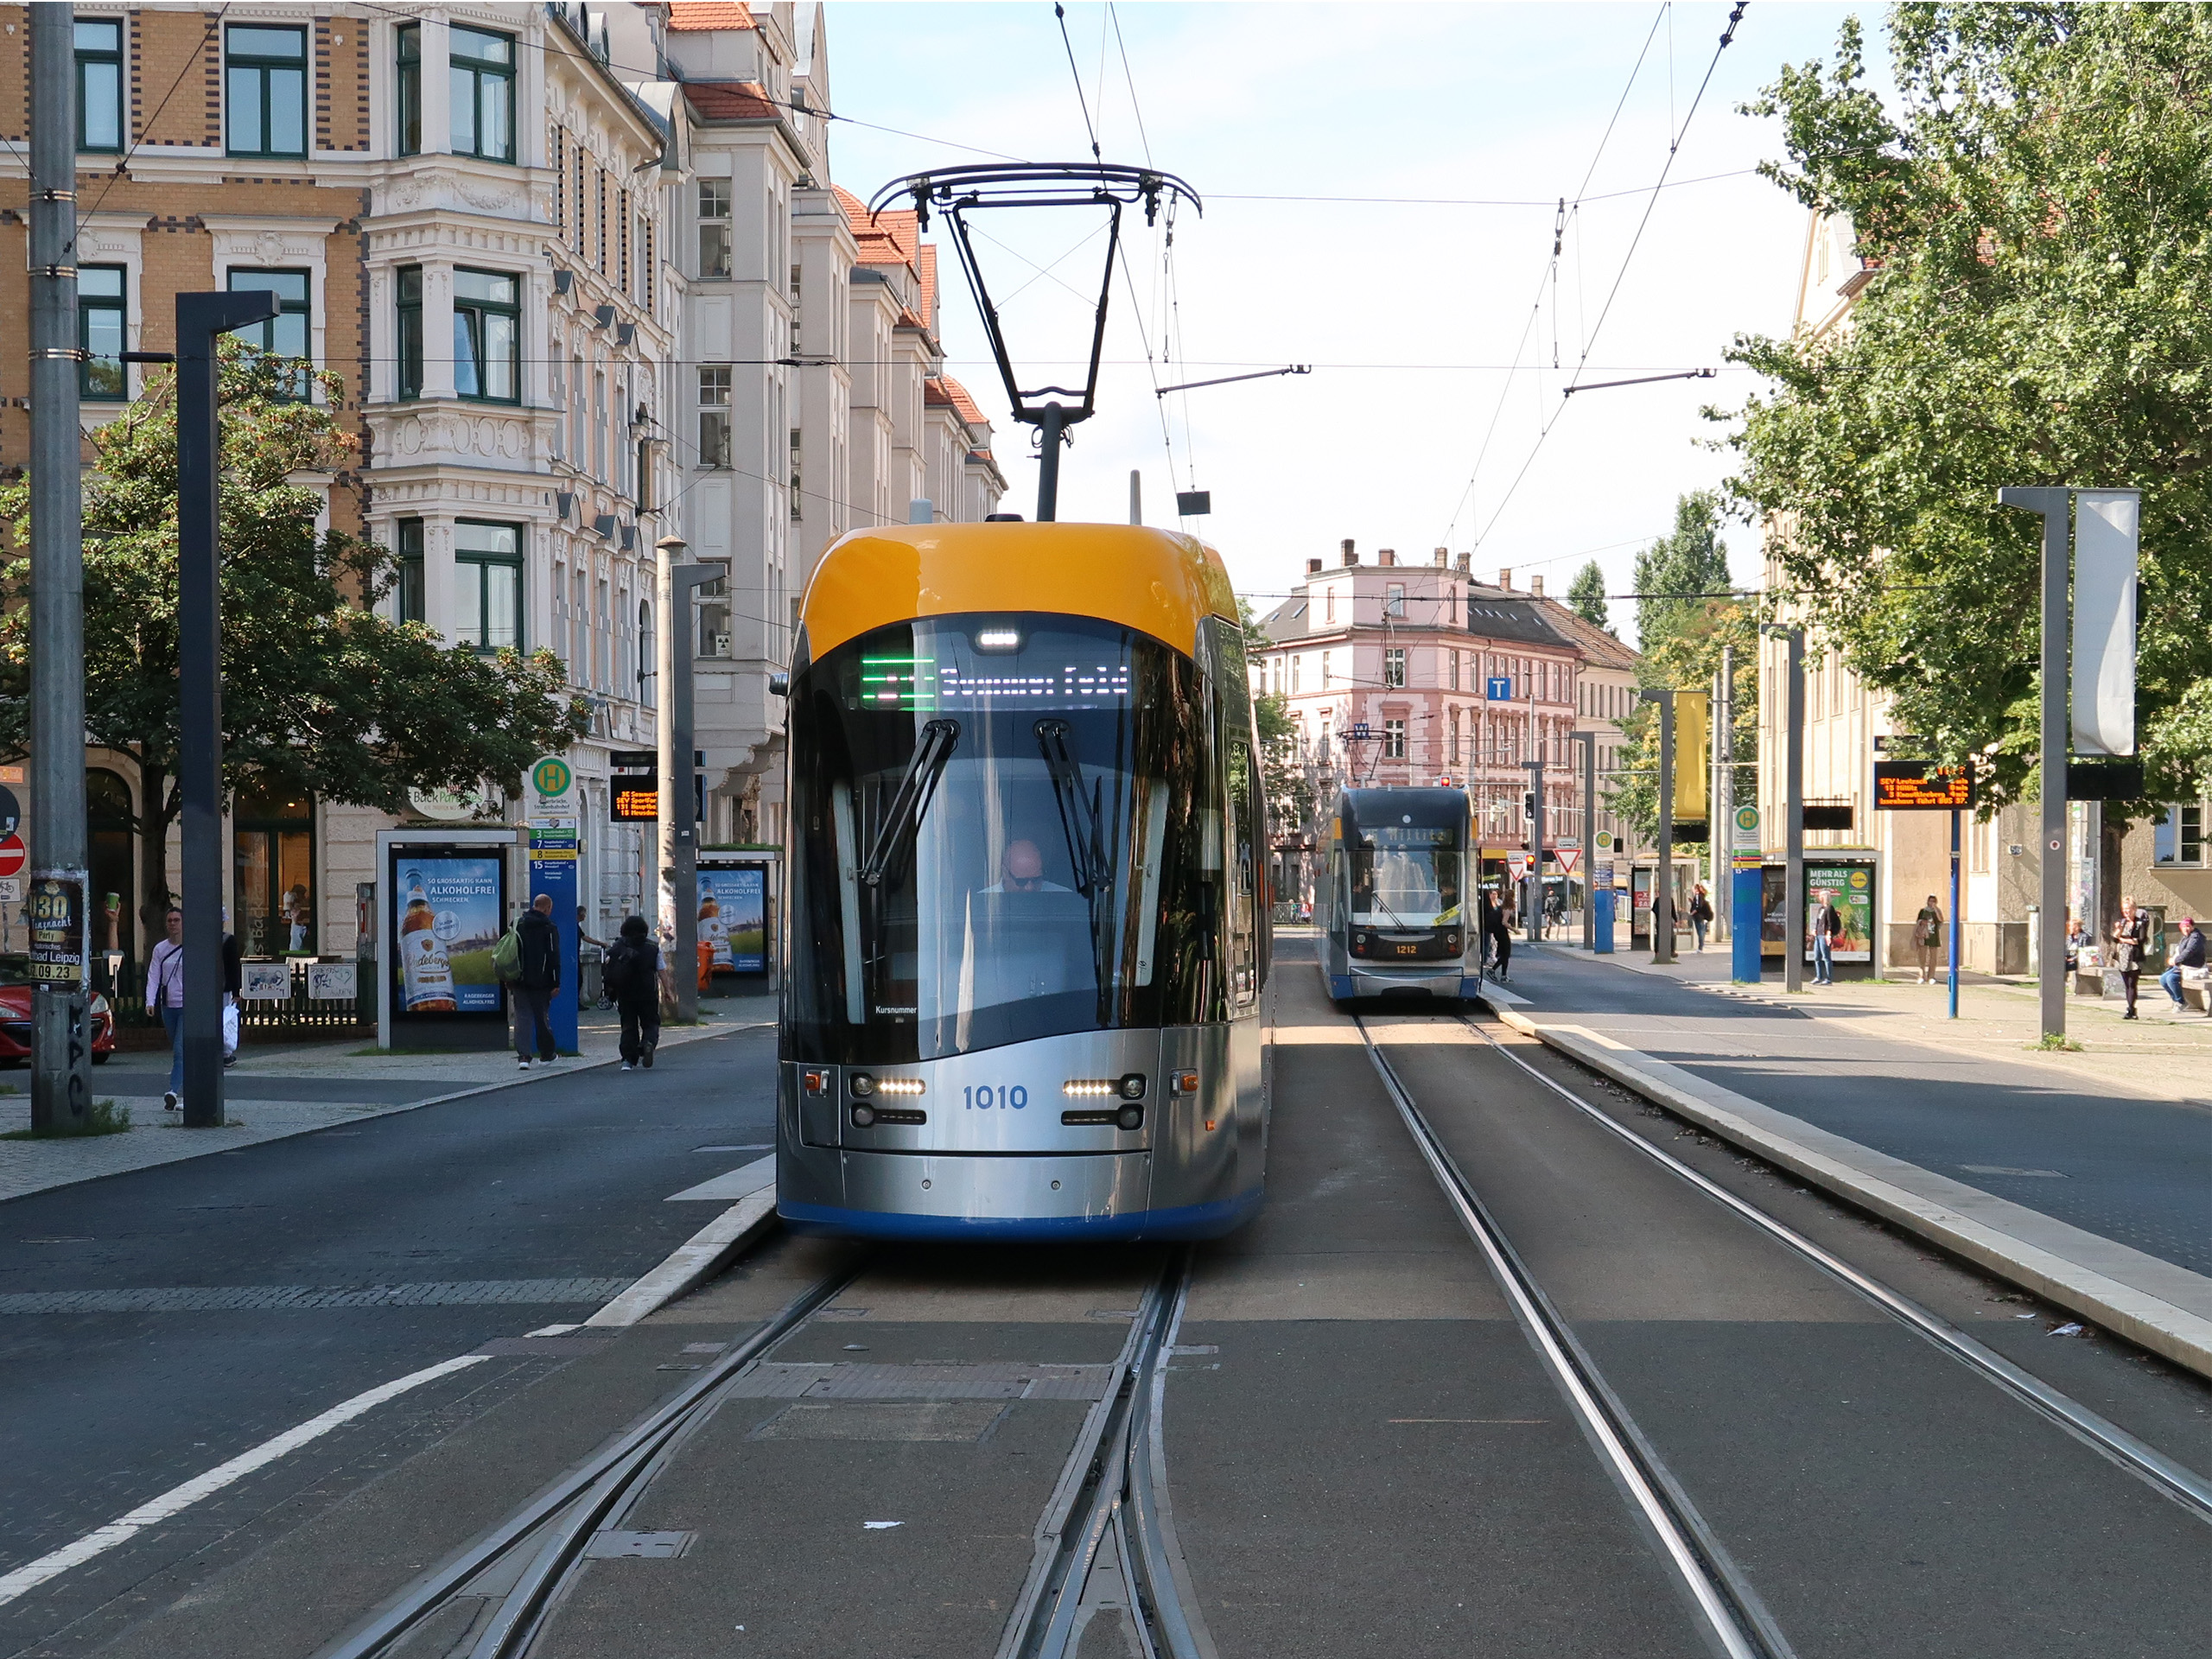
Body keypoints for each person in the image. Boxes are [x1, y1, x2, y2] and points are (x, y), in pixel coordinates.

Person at [507, 894, 562, 1067]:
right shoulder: (549, 927)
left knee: (522, 1017)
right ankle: (546, 1055)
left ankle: (524, 1057)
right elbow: (554, 956)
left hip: (519, 978)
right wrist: (555, 982)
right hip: (542, 980)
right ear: (547, 908)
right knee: (541, 1017)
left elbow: (509, 951)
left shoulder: (518, 924)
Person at [605, 914, 663, 1070]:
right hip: (648, 992)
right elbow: (662, 971)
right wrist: (669, 991)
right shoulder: (653, 948)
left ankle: (628, 1060)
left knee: (628, 1025)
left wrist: (610, 991)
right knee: (650, 1022)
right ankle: (648, 1043)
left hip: (625, 992)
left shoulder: (616, 947)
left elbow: (609, 970)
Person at [146, 908, 186, 1111]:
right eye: (169, 920)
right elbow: (153, 976)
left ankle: (173, 1091)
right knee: (179, 1051)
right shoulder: (160, 949)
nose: (173, 923)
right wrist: (149, 1001)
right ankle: (187, 1089)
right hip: (168, 1005)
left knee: (180, 1050)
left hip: (187, 1006)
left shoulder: (192, 947)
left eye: (177, 920)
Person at [2110, 895, 2150, 1020]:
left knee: (2132, 983)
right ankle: (2131, 1009)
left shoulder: (2140, 923)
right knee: (2126, 984)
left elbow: (2141, 939)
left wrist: (2125, 940)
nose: (2127, 912)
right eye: (2125, 909)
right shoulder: (2122, 922)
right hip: (2122, 956)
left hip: (2134, 957)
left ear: (2134, 909)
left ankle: (2131, 1008)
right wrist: (2118, 930)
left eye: (2129, 909)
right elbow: (2114, 938)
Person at [985, 838, 1069, 894]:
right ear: (1005, 874)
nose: (1030, 888)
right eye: (1022, 881)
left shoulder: (1063, 897)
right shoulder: (982, 901)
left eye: (1036, 880)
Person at [2160, 917, 2205, 1014]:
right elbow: (2179, 951)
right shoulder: (2185, 937)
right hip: (2183, 966)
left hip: (2193, 967)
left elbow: (2188, 952)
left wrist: (2176, 961)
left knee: (2171, 979)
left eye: (2188, 926)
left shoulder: (2196, 937)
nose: (2186, 928)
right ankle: (2176, 1000)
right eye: (2184, 926)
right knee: (2163, 979)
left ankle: (2181, 1002)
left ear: (2192, 927)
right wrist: (2172, 960)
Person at [1810, 889, 1843, 985]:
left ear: (1824, 897)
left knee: (1826, 957)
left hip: (1825, 936)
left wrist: (1829, 934)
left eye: (1821, 896)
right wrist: (1815, 930)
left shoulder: (1829, 908)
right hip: (1818, 935)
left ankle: (1829, 979)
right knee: (1817, 957)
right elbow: (1819, 921)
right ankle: (1819, 977)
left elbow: (1830, 923)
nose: (1819, 898)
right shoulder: (1821, 909)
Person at [1481, 885, 1512, 982]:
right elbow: (1504, 922)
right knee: (1506, 954)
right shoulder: (1507, 908)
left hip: (1497, 932)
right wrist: (1514, 929)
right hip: (1503, 932)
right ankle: (1493, 970)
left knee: (1504, 954)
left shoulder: (1500, 906)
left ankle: (1504, 976)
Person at [1914, 894, 1945, 984]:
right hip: (1923, 936)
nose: (1932, 903)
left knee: (1933, 958)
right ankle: (1922, 975)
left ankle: (1931, 976)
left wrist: (1936, 908)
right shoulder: (1923, 911)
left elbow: (1941, 919)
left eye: (1934, 901)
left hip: (1934, 936)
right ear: (1927, 901)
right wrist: (1924, 922)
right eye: (1930, 901)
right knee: (1922, 957)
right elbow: (1918, 922)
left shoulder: (1936, 911)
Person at [1688, 884, 1714, 953]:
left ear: (1696, 889)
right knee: (1702, 931)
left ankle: (1700, 948)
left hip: (1698, 916)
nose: (1692, 891)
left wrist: (1692, 913)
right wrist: (1692, 902)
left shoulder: (1697, 896)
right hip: (1702, 916)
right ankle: (1701, 946)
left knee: (1700, 932)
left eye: (1693, 889)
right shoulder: (1702, 896)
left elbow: (1698, 906)